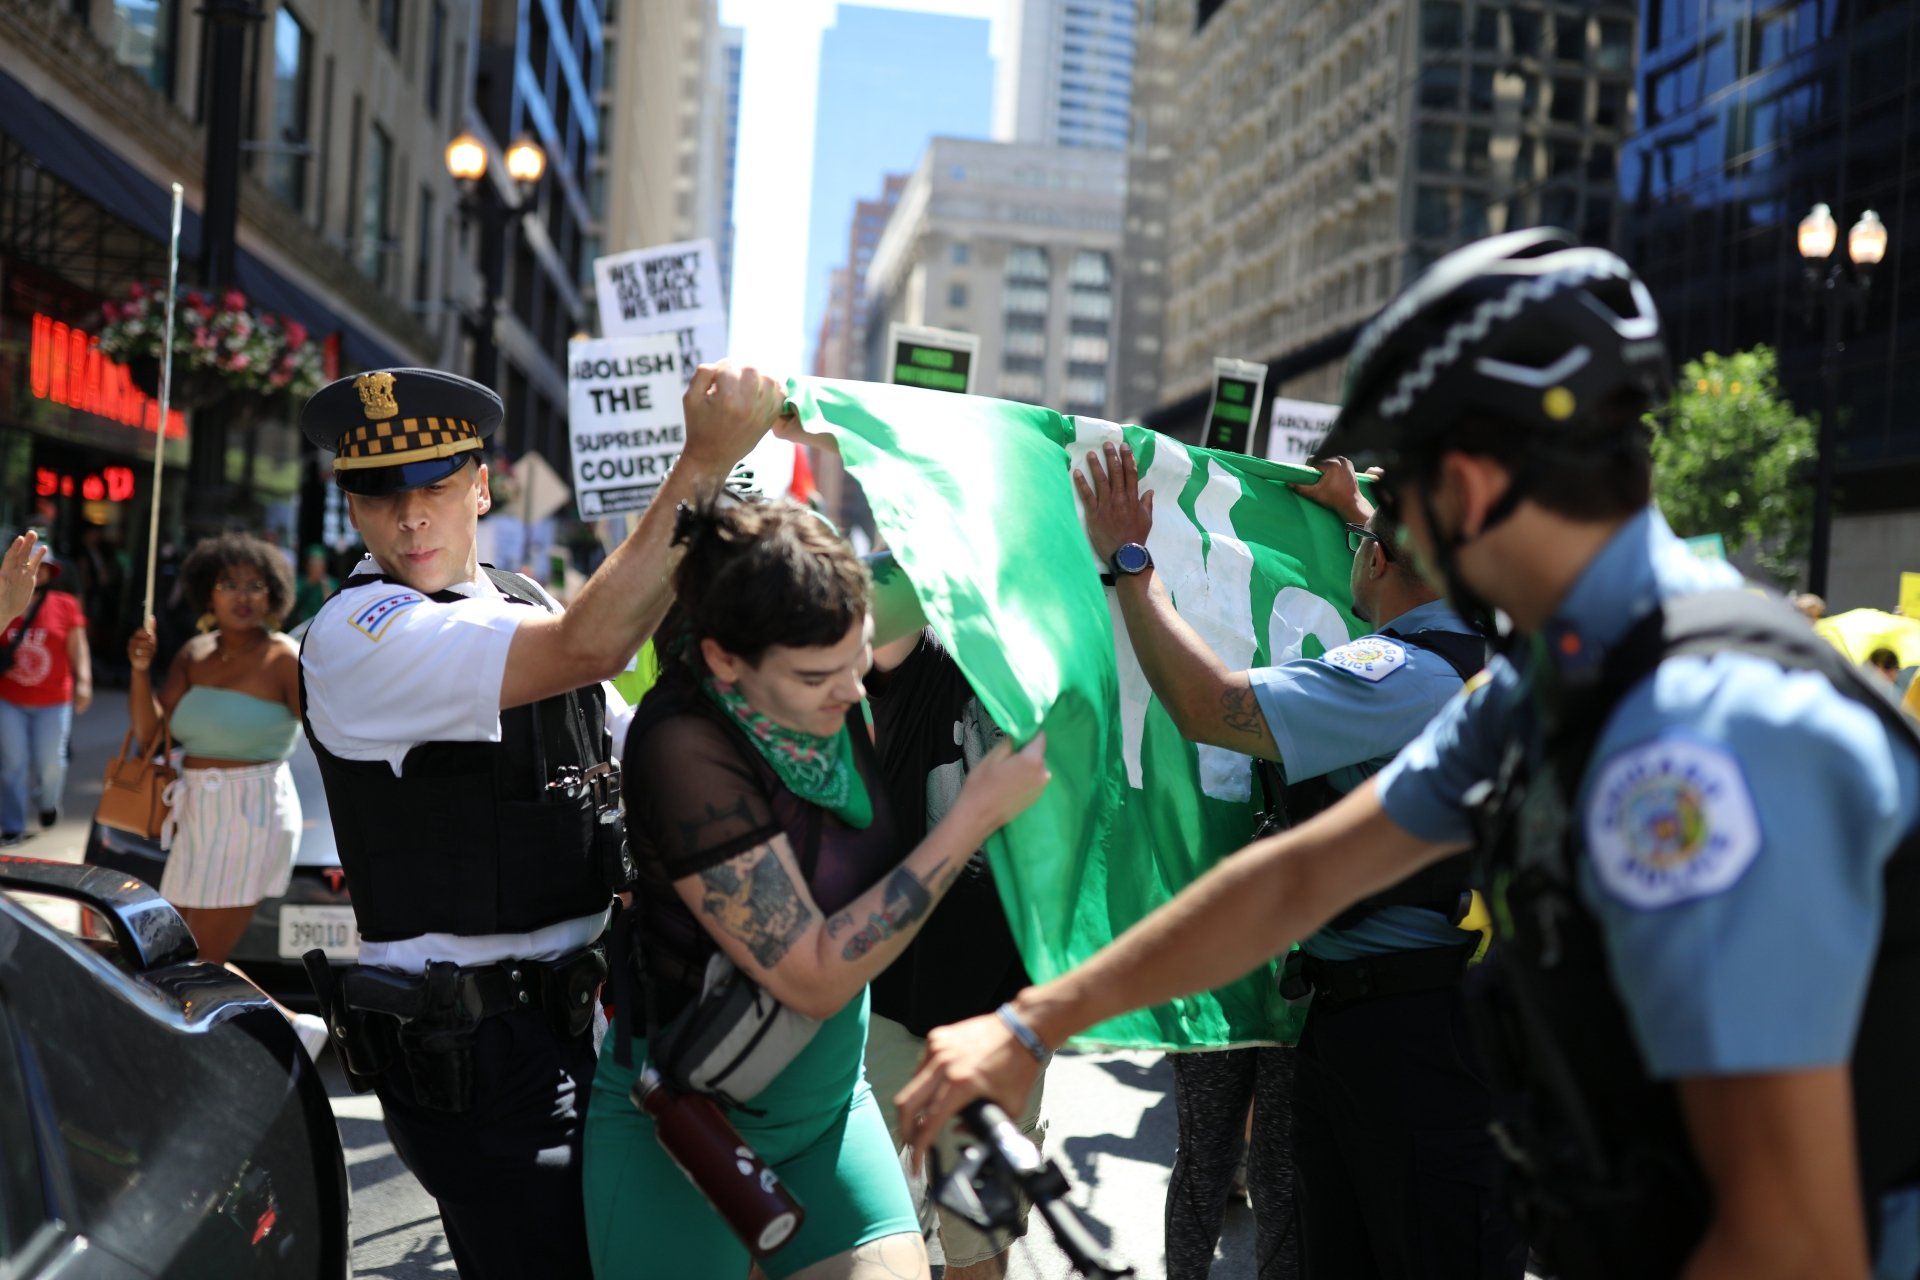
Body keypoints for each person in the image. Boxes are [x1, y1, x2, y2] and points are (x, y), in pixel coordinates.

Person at [897, 229, 1920, 1280]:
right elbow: (1300, 877)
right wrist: (1034, 1022)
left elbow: (1791, 1229)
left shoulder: (1710, 727)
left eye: (1399, 501)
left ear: (1467, 487)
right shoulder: (1549, 686)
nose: (1382, 535)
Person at [297, 363, 781, 1279]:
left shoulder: (523, 599)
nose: (410, 519)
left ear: (481, 487)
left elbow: (633, 748)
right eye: (381, 497)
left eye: (435, 489)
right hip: (475, 1051)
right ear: (352, 508)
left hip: (587, 1021)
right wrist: (703, 465)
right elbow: (592, 645)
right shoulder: (361, 632)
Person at [1076, 442, 1517, 1279]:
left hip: (1402, 1037)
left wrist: (1131, 560)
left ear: (1379, 560)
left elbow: (1210, 706)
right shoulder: (1494, 654)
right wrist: (1359, 513)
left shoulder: (1400, 676)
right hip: (1453, 1021)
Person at [583, 498, 1049, 1280]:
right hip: (690, 1129)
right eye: (814, 678)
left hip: (831, 1110)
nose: (851, 694)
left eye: (856, 661)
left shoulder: (819, 643)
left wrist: (1074, 518)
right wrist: (973, 816)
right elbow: (814, 975)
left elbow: (957, 562)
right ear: (725, 661)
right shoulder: (684, 744)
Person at [863, 616, 1050, 1280]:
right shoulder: (929, 658)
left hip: (1005, 1018)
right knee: (852, 1240)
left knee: (980, 1248)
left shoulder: (1061, 672)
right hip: (889, 1011)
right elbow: (884, 605)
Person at [126, 535, 303, 969]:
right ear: (209, 593)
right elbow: (151, 737)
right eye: (229, 584)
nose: (243, 597)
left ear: (273, 595)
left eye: (255, 585)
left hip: (253, 811)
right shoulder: (194, 653)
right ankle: (285, 1016)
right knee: (175, 957)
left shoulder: (284, 658)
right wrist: (140, 671)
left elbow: (329, 732)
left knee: (200, 963)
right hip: (195, 814)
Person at [0, 547, 90, 843]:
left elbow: (78, 646)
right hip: (9, 699)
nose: (36, 572)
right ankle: (12, 824)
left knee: (52, 762)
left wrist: (84, 681)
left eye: (42, 567)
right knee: (12, 762)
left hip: (54, 700)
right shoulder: (3, 601)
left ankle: (47, 802)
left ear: (51, 573)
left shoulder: (65, 604)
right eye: (29, 565)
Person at [288, 544, 337, 627]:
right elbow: (292, 605)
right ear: (307, 565)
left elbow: (332, 608)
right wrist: (309, 583)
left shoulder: (331, 583)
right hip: (301, 626)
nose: (317, 567)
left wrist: (325, 586)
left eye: (320, 563)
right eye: (314, 564)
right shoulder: (299, 582)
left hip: (322, 625)